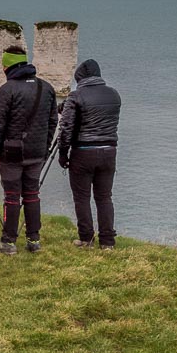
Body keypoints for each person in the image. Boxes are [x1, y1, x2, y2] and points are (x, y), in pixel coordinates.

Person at [0, 46, 58, 255]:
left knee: (11, 196)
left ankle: (8, 242)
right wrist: (44, 148)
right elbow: (53, 121)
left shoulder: (6, 90)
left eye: (3, 64)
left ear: (8, 65)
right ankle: (34, 239)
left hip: (11, 153)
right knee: (32, 194)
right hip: (36, 153)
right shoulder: (47, 88)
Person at [58, 59, 121, 250]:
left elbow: (66, 128)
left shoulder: (76, 96)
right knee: (104, 197)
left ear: (81, 78)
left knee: (82, 197)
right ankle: (108, 242)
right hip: (109, 151)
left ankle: (86, 239)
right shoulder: (114, 95)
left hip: (83, 152)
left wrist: (63, 153)